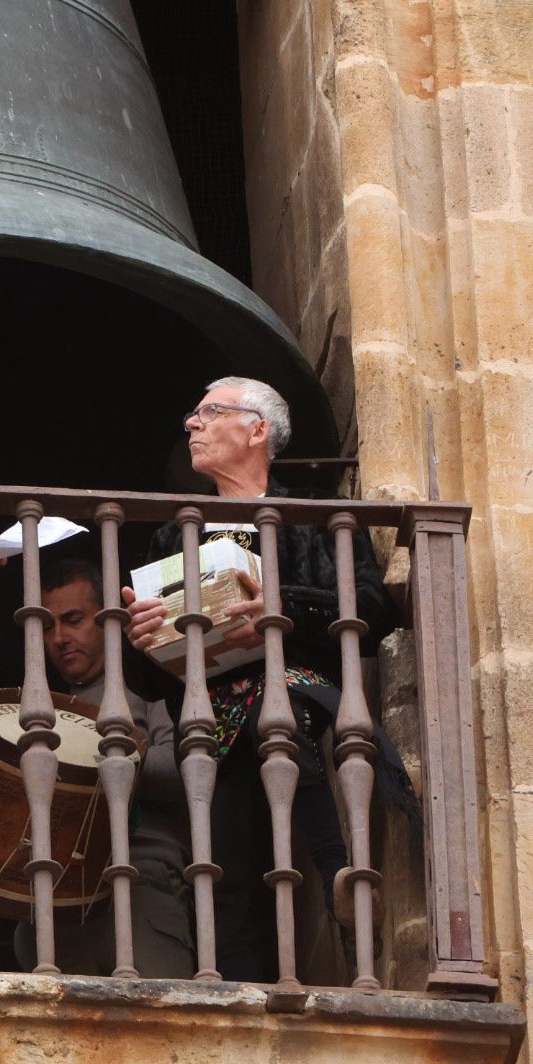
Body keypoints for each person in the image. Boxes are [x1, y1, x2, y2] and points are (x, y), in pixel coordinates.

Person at [120, 376, 400, 983]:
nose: (191, 423)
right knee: (227, 858)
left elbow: (371, 609)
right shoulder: (174, 535)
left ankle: (339, 883)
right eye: (193, 414)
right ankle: (325, 891)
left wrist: (281, 607)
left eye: (208, 411)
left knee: (276, 711)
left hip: (297, 686)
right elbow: (146, 679)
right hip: (211, 718)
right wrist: (142, 636)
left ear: (257, 430)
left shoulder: (315, 517)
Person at [12, 555, 194, 978]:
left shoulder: (153, 686)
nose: (59, 637)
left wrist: (115, 754)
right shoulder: (37, 712)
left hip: (142, 886)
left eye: (73, 619)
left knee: (158, 1034)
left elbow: (185, 774)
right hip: (56, 905)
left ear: (107, 618)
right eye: (46, 625)